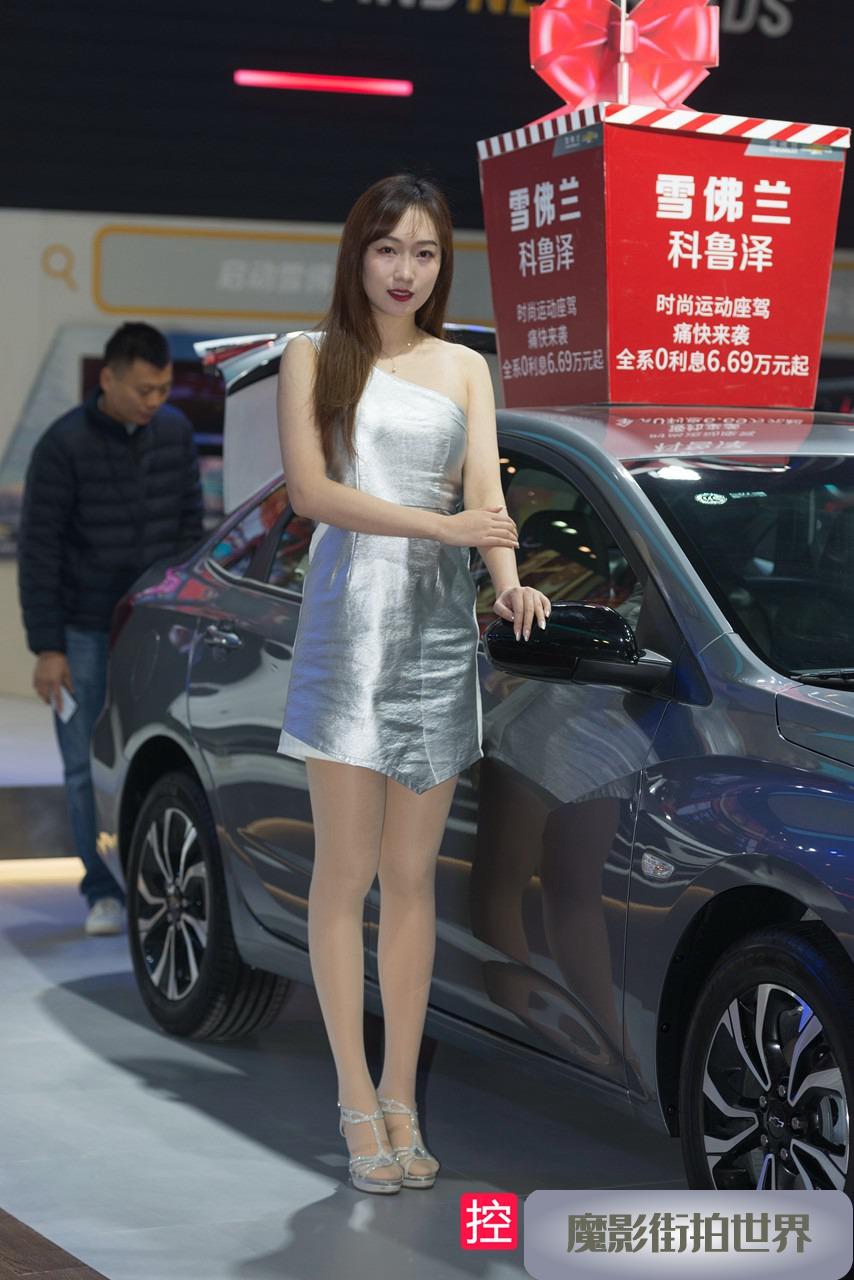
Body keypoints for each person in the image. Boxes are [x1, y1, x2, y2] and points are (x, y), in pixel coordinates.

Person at [276, 174, 551, 1194]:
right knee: (343, 874)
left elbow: (485, 495)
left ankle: (401, 1094)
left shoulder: (467, 367)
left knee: (410, 880)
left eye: (425, 252)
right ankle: (354, 1097)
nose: (405, 270)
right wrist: (447, 528)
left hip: (437, 638)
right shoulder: (311, 356)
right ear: (357, 253)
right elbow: (313, 494)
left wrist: (508, 582)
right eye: (387, 248)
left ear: (444, 263)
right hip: (349, 632)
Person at [18, 322, 204, 936]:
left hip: (154, 629)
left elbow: (189, 528)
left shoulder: (175, 435)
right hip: (83, 632)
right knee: (81, 763)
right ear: (108, 379)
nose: (155, 401)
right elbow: (40, 552)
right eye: (144, 390)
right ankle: (100, 889)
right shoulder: (62, 445)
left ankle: (156, 878)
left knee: (158, 753)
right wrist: (48, 647)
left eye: (164, 389)